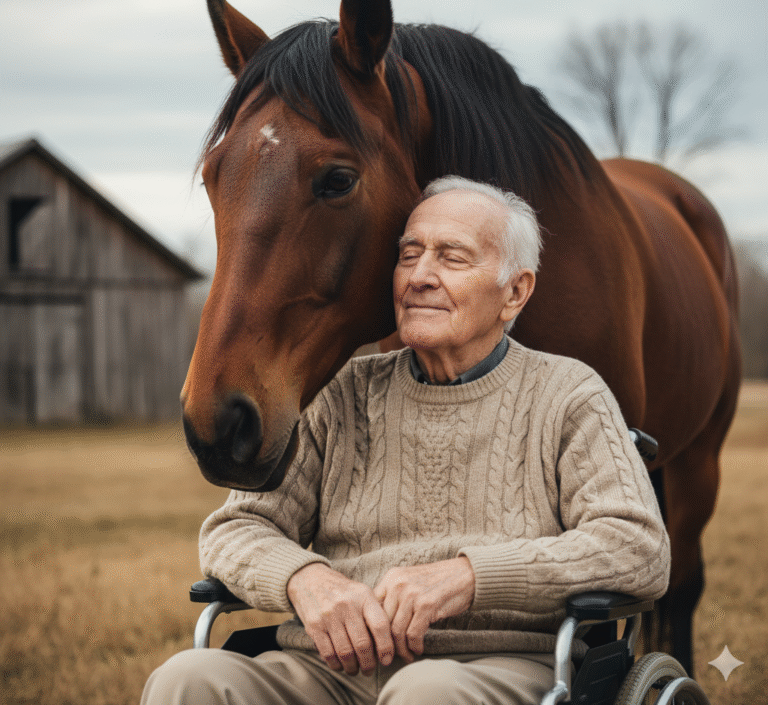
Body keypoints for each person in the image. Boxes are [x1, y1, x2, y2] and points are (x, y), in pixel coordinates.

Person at [142, 175, 670, 705]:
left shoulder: (567, 393)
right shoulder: (344, 391)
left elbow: (637, 545)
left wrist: (467, 577)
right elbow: (235, 529)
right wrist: (305, 580)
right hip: (330, 666)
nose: (419, 276)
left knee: (426, 692)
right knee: (186, 679)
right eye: (409, 254)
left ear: (515, 292)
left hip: (498, 666)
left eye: (452, 258)